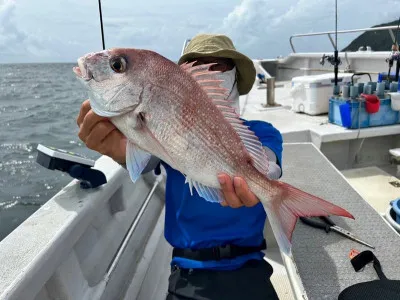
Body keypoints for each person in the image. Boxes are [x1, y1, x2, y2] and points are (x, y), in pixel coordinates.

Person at [76, 34, 282, 300]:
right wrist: (119, 151)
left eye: (220, 65)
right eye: (199, 63)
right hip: (188, 273)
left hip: (251, 266)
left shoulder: (262, 132)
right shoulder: (167, 131)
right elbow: (146, 159)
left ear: (235, 76)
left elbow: (269, 164)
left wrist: (265, 178)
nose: (210, 71)